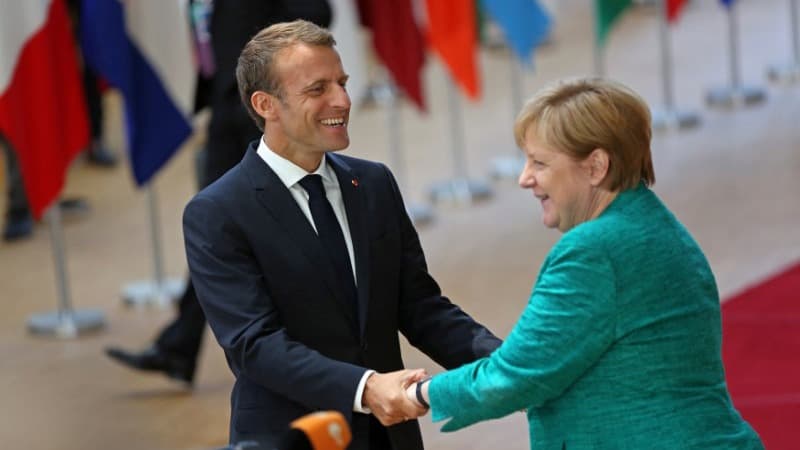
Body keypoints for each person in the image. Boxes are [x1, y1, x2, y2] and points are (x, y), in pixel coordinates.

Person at [182, 19, 501, 450]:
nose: (343, 100)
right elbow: (254, 345)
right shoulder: (217, 212)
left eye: (342, 82)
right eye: (318, 89)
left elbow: (421, 306)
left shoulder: (373, 185)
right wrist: (367, 388)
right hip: (295, 439)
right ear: (265, 105)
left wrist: (508, 363)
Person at [405, 77, 764, 449]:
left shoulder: (593, 251)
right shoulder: (652, 224)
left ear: (595, 166)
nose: (524, 178)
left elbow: (515, 375)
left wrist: (414, 394)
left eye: (539, 162)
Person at [105, 0, 335, 386]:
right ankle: (181, 345)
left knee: (247, 232)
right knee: (221, 231)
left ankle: (188, 344)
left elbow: (315, 11)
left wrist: (265, 76)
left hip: (261, 114)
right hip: (227, 109)